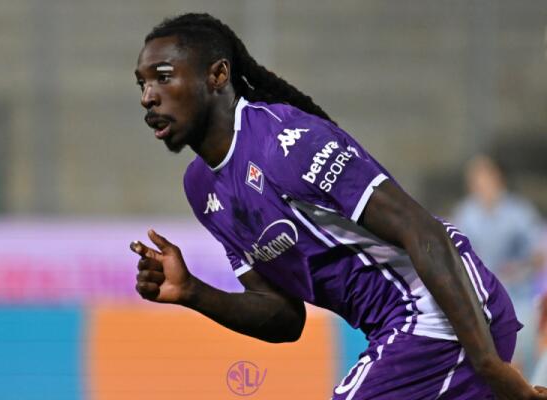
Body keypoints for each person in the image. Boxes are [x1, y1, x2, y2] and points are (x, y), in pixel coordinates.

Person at [130, 13, 547, 399]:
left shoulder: (287, 142)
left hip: (443, 309)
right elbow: (284, 317)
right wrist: (192, 292)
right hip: (397, 328)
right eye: (142, 84)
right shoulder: (201, 189)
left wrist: (488, 364)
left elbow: (422, 230)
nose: (148, 97)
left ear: (218, 75)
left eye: (163, 77)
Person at [453, 154, 544, 374]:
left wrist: (520, 267)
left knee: (521, 346)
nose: (479, 182)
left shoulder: (518, 212)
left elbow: (540, 249)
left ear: (498, 177)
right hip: (479, 299)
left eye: (484, 175)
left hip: (517, 297)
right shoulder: (466, 213)